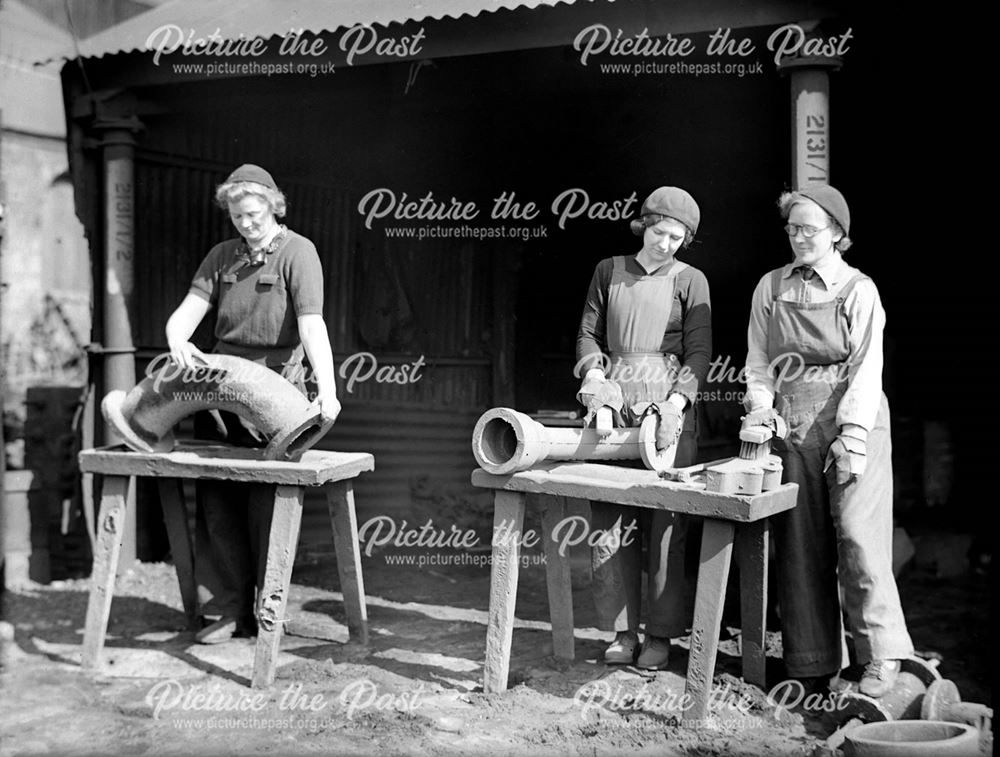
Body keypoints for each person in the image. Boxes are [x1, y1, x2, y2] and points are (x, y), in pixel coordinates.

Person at [742, 184, 913, 697]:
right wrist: (762, 407)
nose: (799, 238)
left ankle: (880, 656)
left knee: (859, 536)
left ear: (837, 233)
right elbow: (756, 361)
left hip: (850, 419)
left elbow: (866, 368)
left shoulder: (859, 289)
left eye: (810, 229)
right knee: (800, 543)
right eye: (792, 228)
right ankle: (812, 660)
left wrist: (853, 434)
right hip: (792, 423)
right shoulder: (770, 287)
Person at [164, 163, 341, 643]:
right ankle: (225, 609)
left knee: (269, 503)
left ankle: (269, 610)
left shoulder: (298, 252)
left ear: (273, 205)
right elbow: (186, 315)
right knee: (218, 500)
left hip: (277, 401)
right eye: (237, 216)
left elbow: (312, 326)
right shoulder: (222, 257)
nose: (246, 223)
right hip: (221, 394)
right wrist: (177, 338)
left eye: (253, 213)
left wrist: (327, 389)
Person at [576, 186, 712, 669]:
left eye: (678, 237)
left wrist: (677, 403)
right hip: (615, 403)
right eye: (660, 232)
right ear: (643, 225)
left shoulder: (691, 280)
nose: (667, 244)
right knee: (609, 524)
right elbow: (588, 332)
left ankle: (660, 635)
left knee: (665, 528)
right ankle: (621, 632)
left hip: (667, 409)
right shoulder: (608, 271)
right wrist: (595, 377)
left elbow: (699, 351)